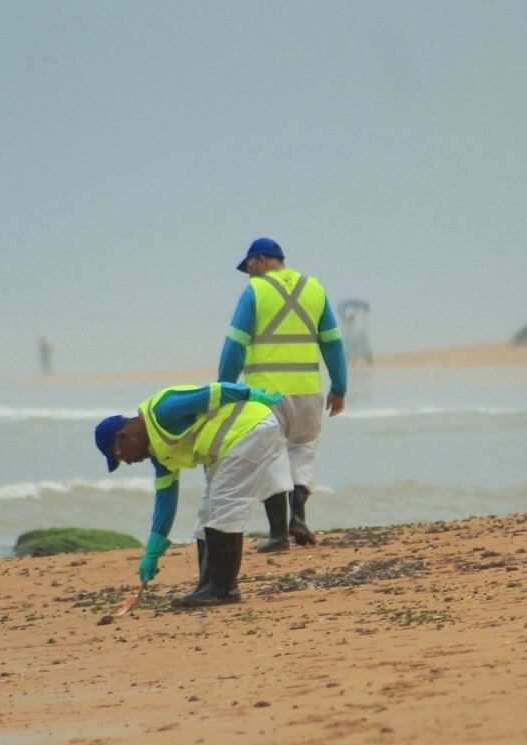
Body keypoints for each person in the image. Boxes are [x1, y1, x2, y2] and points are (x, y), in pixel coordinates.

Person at [94, 381, 291, 607]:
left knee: (226, 504)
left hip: (250, 428)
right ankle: (207, 585)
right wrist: (152, 551)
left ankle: (224, 589)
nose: (127, 462)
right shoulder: (159, 454)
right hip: (228, 446)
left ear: (123, 438)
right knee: (207, 513)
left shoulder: (162, 410)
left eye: (120, 456)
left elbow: (213, 392)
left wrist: (249, 393)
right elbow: (166, 500)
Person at [218, 237, 347, 552]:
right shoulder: (314, 288)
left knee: (272, 455)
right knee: (303, 449)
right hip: (307, 391)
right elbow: (332, 342)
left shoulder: (256, 291)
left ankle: (278, 535)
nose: (248, 274)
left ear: (261, 260)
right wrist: (339, 387)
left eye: (249, 267)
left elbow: (235, 345)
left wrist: (223, 389)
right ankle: (299, 516)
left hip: (265, 395)